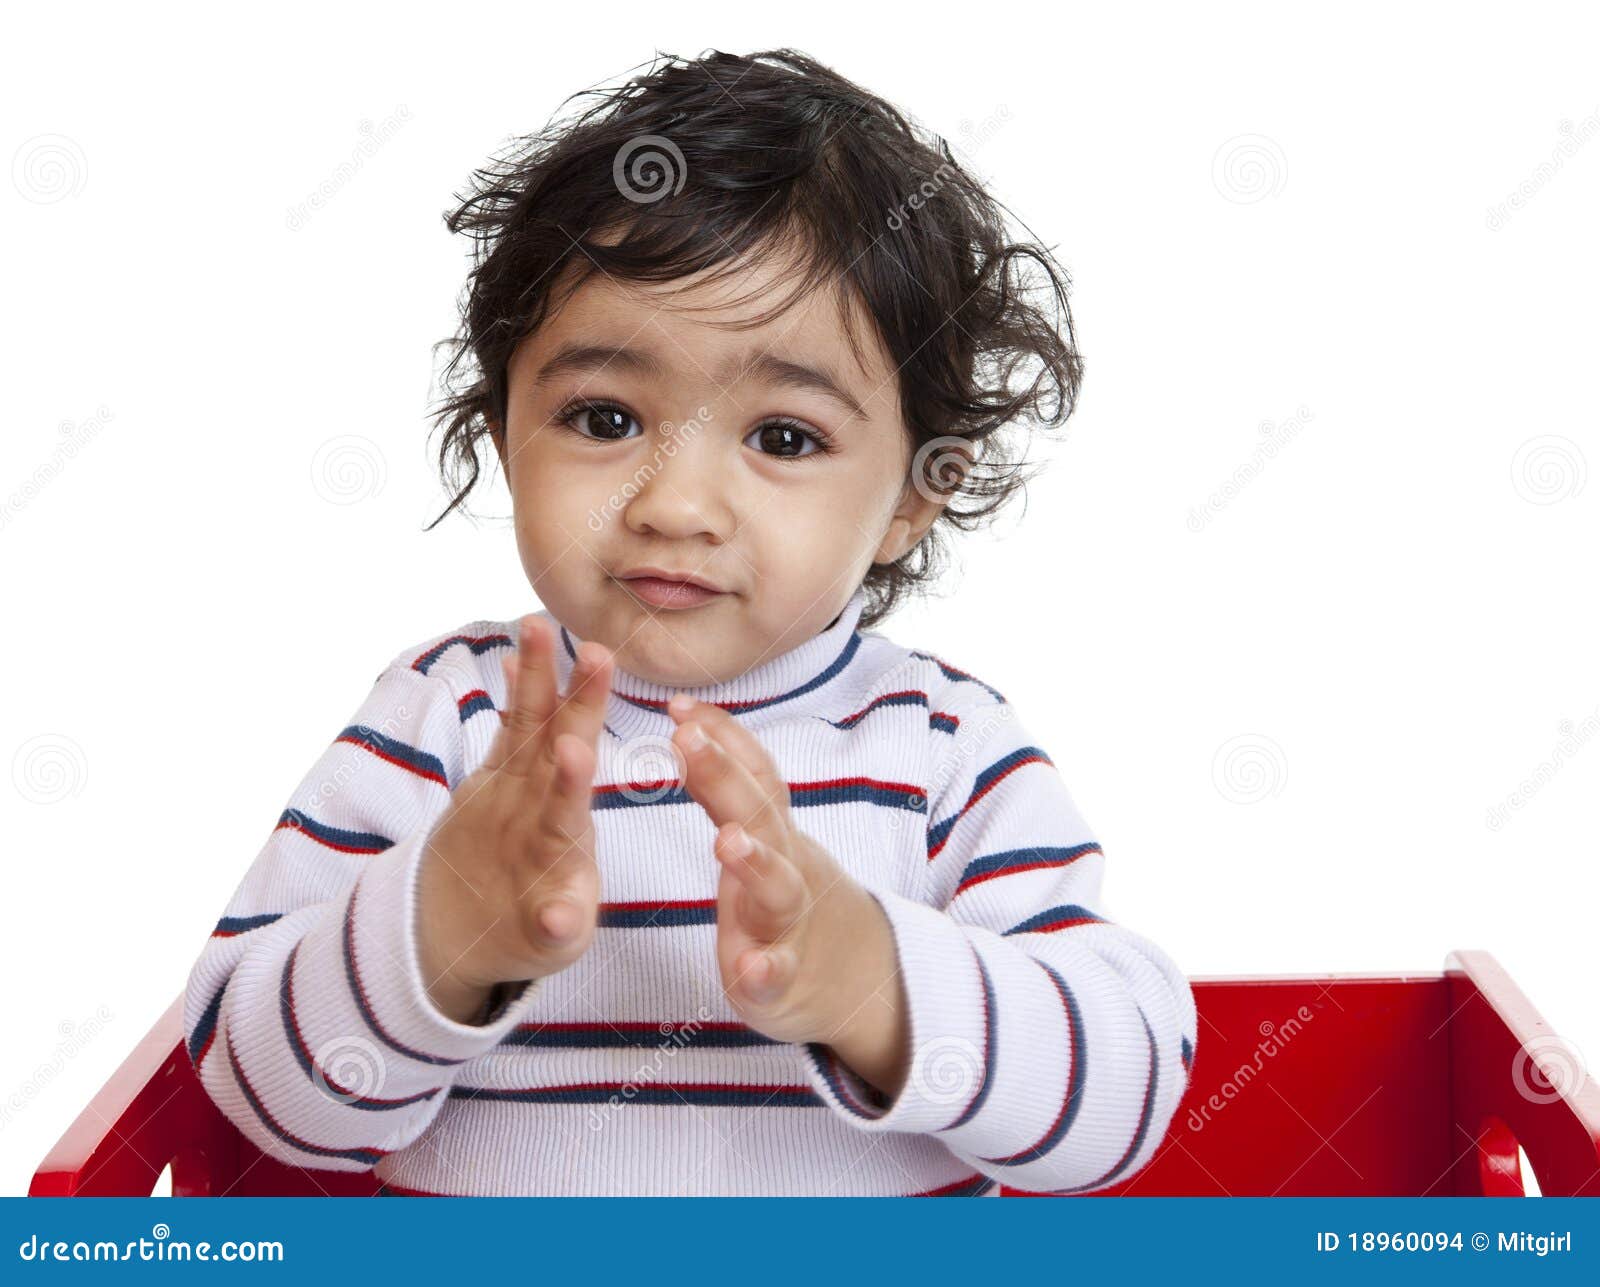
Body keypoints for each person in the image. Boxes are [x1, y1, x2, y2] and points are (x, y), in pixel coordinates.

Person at [184, 47, 1198, 1196]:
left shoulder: (941, 749)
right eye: (602, 418)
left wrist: (869, 982)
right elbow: (252, 1093)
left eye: (783, 438)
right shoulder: (452, 721)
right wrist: (439, 932)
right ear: (502, 435)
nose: (671, 504)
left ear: (912, 498)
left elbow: (1121, 1103)